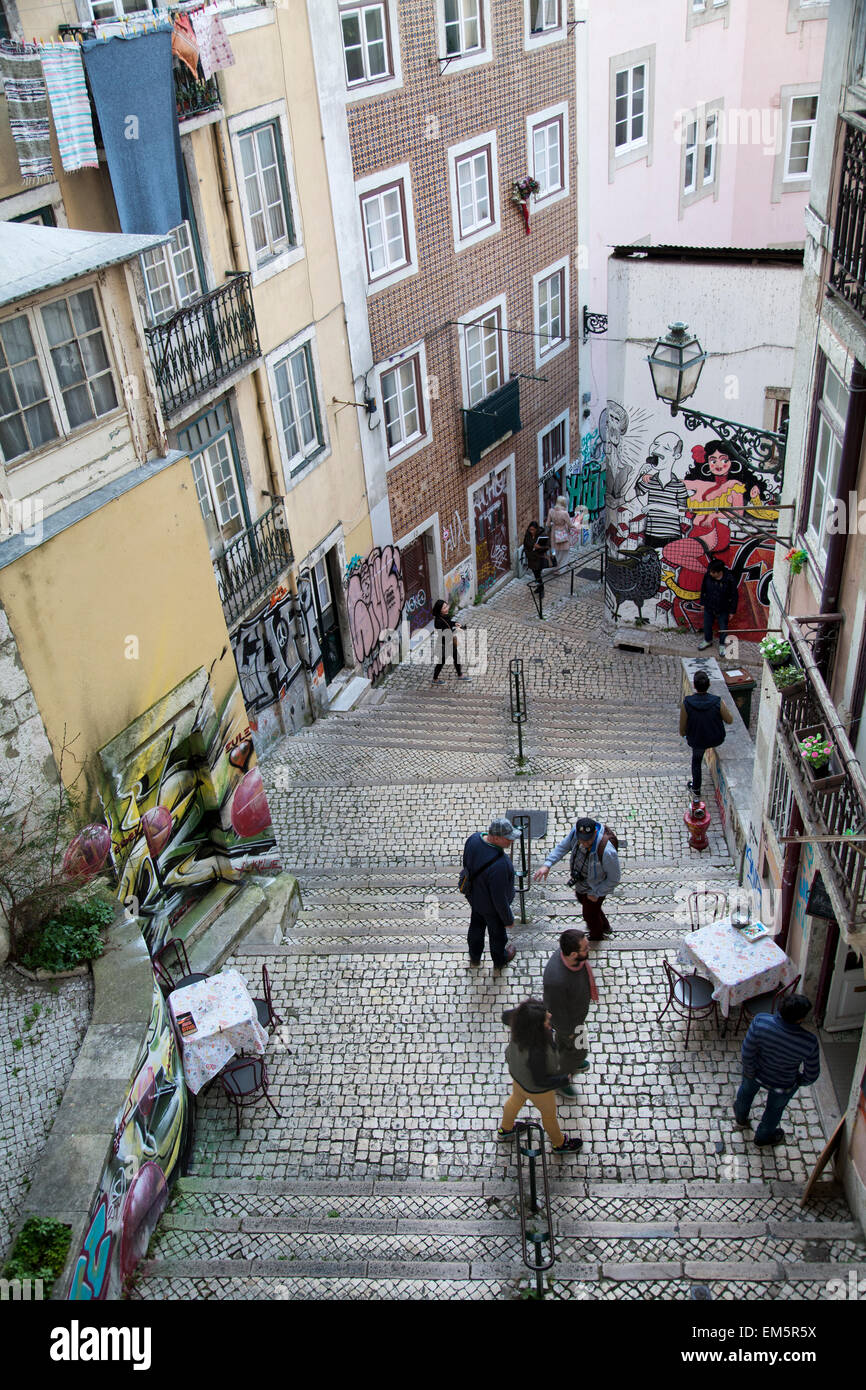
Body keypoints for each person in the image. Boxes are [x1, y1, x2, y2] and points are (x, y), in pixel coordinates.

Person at [497, 998, 583, 1152]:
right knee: (549, 1115)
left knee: (515, 1100)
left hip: (519, 1077)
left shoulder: (521, 1025)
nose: (549, 1017)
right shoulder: (537, 1051)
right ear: (536, 1027)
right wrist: (564, 1079)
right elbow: (540, 1080)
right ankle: (560, 1143)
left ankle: (506, 1129)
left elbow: (506, 1016)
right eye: (546, 1019)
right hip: (536, 1089)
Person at [734, 994, 820, 1146]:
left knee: (745, 1095)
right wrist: (798, 1081)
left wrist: (750, 1071)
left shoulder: (760, 1022)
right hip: (783, 1083)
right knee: (774, 1110)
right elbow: (811, 1074)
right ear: (800, 1019)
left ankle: (741, 1118)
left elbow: (747, 1053)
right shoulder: (809, 1042)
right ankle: (762, 1138)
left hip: (755, 1074)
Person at [533, 815, 621, 942]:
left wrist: (597, 893)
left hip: (596, 887)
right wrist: (547, 864)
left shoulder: (607, 851)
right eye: (581, 840)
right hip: (581, 882)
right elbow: (563, 847)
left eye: (588, 841)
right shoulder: (576, 833)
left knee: (589, 914)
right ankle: (605, 926)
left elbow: (614, 878)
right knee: (585, 902)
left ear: (595, 832)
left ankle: (597, 936)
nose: (584, 844)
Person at [542, 930, 596, 1094]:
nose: (589, 950)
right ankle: (562, 1078)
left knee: (564, 1045)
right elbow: (555, 1012)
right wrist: (569, 1033)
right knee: (579, 1051)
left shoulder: (569, 957)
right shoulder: (557, 981)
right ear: (573, 954)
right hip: (571, 1025)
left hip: (576, 1017)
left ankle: (568, 1057)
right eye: (585, 949)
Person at [462, 817, 519, 968]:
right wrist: (508, 919)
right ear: (495, 837)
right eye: (507, 838)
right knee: (498, 936)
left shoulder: (474, 839)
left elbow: (466, 864)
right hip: (492, 909)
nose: (511, 841)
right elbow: (499, 898)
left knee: (476, 928)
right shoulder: (500, 864)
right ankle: (500, 960)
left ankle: (474, 957)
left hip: (475, 899)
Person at [680, 669, 734, 796]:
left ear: (694, 686)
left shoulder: (687, 702)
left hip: (697, 740)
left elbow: (682, 727)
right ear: (709, 684)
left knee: (696, 761)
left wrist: (684, 734)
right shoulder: (717, 701)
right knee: (698, 756)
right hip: (716, 738)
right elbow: (729, 720)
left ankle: (696, 788)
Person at [699, 557, 738, 652]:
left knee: (723, 627)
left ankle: (722, 644)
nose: (710, 574)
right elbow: (703, 589)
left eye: (713, 572)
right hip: (709, 605)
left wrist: (732, 611)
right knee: (707, 625)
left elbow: (734, 595)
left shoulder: (729, 579)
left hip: (723, 607)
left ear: (719, 572)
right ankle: (708, 640)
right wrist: (703, 603)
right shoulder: (708, 576)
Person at [431, 598, 470, 684]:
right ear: (439, 610)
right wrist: (456, 630)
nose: (447, 608)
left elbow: (448, 623)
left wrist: (455, 623)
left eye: (446, 606)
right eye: (444, 608)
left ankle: (460, 675)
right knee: (441, 662)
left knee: (457, 658)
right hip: (444, 644)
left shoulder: (445, 616)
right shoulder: (437, 621)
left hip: (450, 643)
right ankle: (435, 679)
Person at [523, 521, 550, 596]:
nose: (531, 531)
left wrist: (539, 547)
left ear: (536, 529)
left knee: (538, 574)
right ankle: (539, 587)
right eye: (530, 530)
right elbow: (525, 544)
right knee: (536, 574)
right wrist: (528, 553)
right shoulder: (528, 535)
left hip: (539, 558)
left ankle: (541, 589)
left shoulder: (542, 535)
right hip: (531, 558)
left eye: (533, 530)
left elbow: (547, 546)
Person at [545, 495, 572, 568]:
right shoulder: (564, 513)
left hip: (554, 532)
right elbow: (570, 524)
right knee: (565, 552)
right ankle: (562, 569)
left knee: (557, 551)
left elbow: (547, 524)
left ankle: (558, 567)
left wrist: (553, 524)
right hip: (563, 532)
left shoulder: (551, 511)